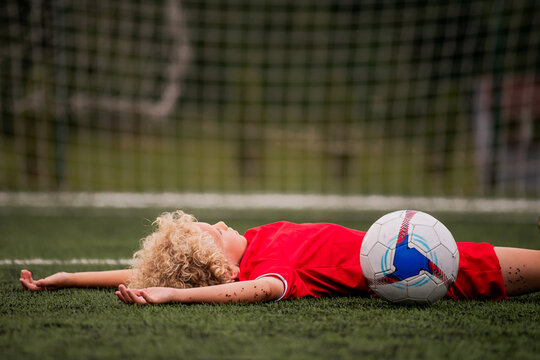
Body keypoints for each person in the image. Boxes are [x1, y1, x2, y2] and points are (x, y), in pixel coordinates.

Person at [19, 210, 540, 305]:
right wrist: (175, 293)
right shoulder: (270, 267)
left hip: (417, 250)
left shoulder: (260, 240)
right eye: (208, 232)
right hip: (429, 269)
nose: (215, 222)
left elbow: (140, 271)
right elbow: (257, 290)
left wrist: (67, 279)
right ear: (218, 264)